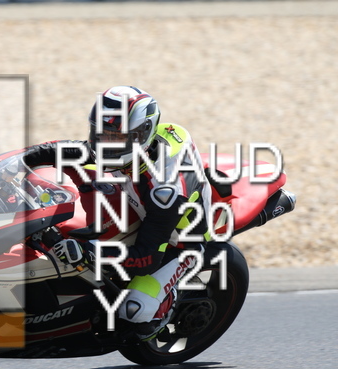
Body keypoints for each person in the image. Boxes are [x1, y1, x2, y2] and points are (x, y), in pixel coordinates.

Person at [22, 85, 213, 340]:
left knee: (136, 312)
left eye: (116, 138)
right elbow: (80, 150)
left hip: (177, 240)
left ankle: (166, 306)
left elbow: (146, 259)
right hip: (139, 202)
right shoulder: (138, 145)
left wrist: (90, 253)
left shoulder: (164, 191)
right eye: (101, 135)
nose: (105, 145)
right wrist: (13, 160)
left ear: (142, 134)